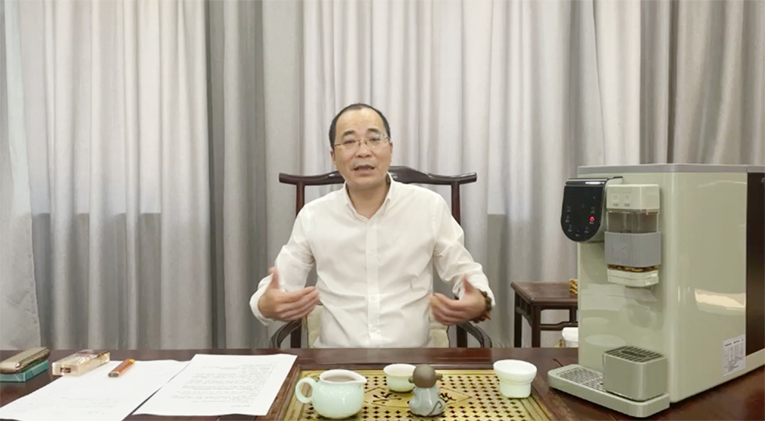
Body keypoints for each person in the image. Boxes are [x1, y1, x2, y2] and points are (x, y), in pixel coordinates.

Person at [249, 103, 495, 348]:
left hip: (413, 360)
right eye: (349, 142)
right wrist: (266, 304)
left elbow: (465, 271)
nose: (363, 151)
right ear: (333, 157)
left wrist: (478, 301)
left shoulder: (429, 207)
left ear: (390, 149)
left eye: (374, 139)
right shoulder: (313, 216)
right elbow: (278, 285)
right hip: (336, 363)